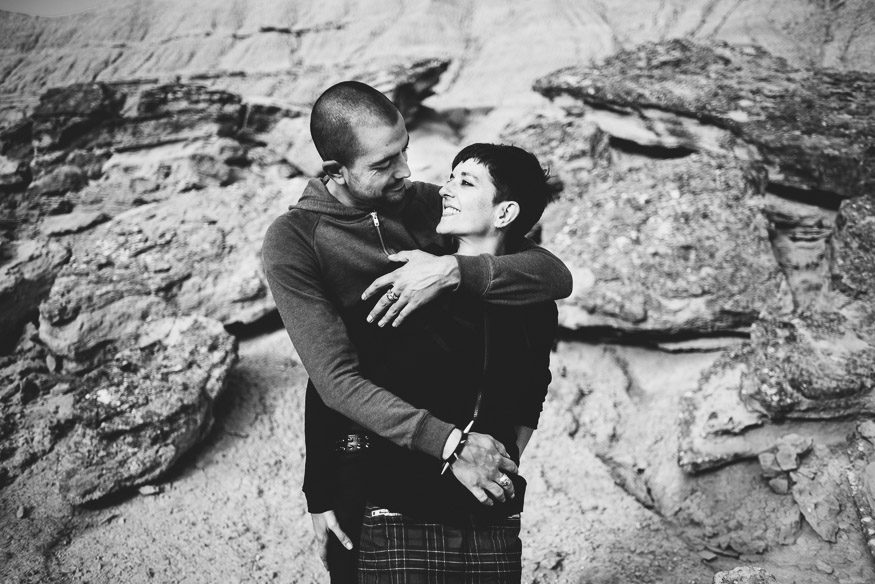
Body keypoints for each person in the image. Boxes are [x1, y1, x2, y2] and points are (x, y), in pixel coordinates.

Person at [261, 81, 571, 582]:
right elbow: (332, 381)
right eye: (384, 164)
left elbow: (553, 276)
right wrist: (319, 491)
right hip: (365, 463)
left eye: (404, 150)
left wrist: (451, 271)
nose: (406, 171)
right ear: (335, 170)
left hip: (456, 466)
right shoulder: (294, 241)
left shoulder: (427, 206)